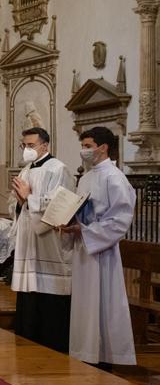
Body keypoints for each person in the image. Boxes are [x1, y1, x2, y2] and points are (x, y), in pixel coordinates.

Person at [60, 126, 136, 368]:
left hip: (102, 251)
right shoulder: (87, 177)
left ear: (103, 148)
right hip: (85, 246)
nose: (84, 151)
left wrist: (87, 230)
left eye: (88, 146)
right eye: (83, 146)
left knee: (103, 302)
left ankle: (103, 356)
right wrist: (67, 221)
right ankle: (85, 351)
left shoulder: (114, 177)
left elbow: (121, 219)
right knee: (85, 303)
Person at [8, 127, 75, 353]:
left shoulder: (59, 169)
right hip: (28, 240)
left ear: (44, 145)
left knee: (49, 296)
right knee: (29, 293)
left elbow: (60, 204)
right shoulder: (26, 170)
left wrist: (29, 198)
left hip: (48, 243)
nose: (26, 150)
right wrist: (19, 202)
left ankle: (52, 342)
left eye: (31, 145)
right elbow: (15, 204)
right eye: (24, 145)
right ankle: (28, 338)